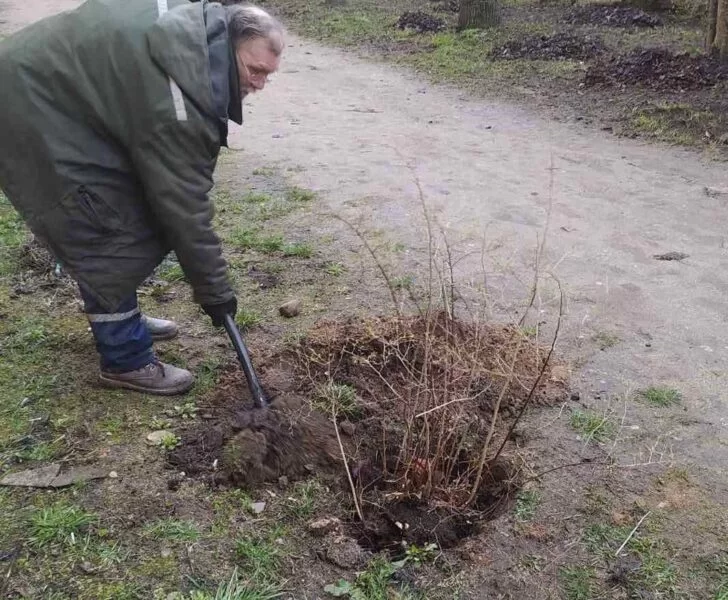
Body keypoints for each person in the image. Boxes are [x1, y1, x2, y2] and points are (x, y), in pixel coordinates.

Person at [0, 0, 284, 395]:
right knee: (100, 220)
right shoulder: (180, 100)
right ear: (229, 42)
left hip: (51, 92)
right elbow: (186, 210)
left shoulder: (190, 26)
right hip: (27, 106)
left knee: (125, 206)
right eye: (254, 70)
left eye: (268, 75)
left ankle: (120, 315)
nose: (258, 84)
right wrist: (217, 295)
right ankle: (125, 357)